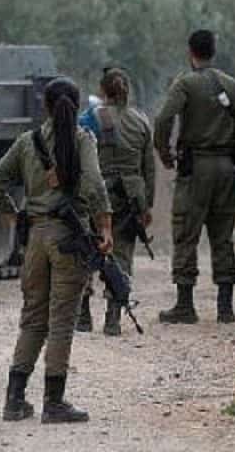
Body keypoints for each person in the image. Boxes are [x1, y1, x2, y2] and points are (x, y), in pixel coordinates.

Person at [0, 77, 113, 424]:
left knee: (32, 319)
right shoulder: (82, 139)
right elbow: (94, 183)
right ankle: (54, 403)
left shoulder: (28, 142)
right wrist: (104, 226)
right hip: (69, 238)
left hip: (36, 239)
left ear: (45, 106)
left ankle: (14, 401)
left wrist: (16, 217)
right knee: (61, 322)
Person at [153, 29, 235, 324]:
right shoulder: (233, 86)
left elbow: (163, 119)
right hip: (225, 169)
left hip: (195, 168)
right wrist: (234, 156)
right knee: (223, 237)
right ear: (213, 51)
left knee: (186, 233)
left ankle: (185, 305)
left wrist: (164, 152)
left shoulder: (185, 83)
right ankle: (225, 308)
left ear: (190, 51)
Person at [76, 67, 155, 336]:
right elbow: (149, 168)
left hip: (95, 192)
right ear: (127, 92)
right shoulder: (141, 121)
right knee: (121, 255)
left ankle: (83, 316)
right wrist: (147, 205)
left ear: (102, 91)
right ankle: (113, 318)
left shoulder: (89, 118)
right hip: (130, 197)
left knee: (87, 251)